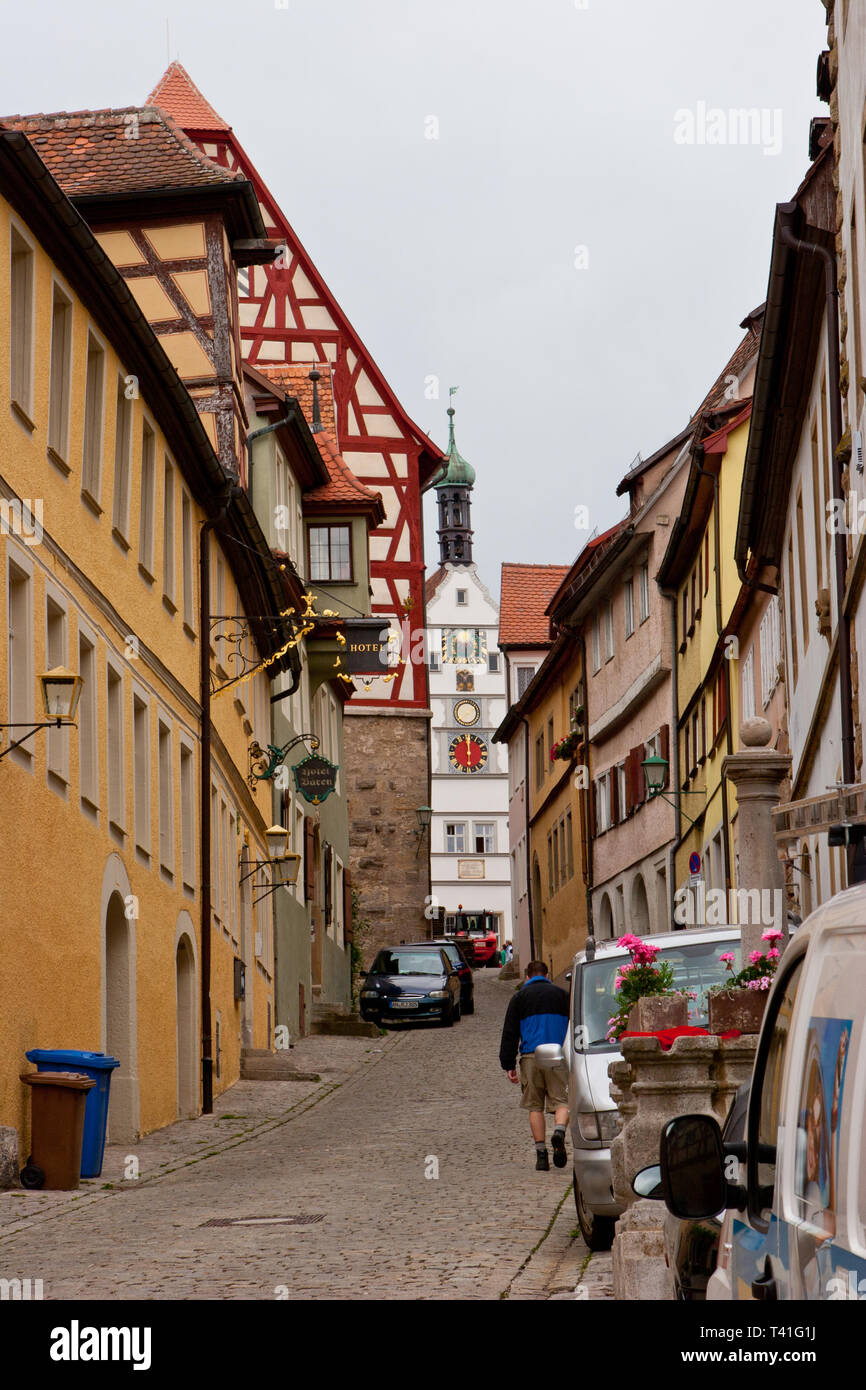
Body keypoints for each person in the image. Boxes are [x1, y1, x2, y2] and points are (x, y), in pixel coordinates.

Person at [499, 960, 570, 1170]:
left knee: (535, 1106)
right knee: (563, 1101)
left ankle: (541, 1155)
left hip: (531, 1057)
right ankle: (559, 1131)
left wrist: (508, 1063)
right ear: (547, 975)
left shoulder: (519, 998)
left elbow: (510, 1033)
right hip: (557, 1055)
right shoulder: (562, 995)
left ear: (527, 977)